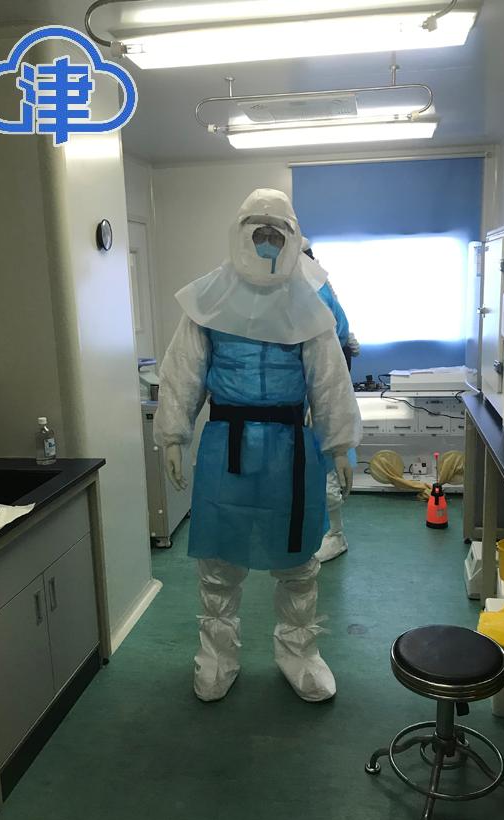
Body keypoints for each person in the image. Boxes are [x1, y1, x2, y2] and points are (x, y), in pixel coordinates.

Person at [155, 189, 361, 703]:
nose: (267, 242)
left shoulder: (310, 299)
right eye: (259, 232)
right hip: (227, 444)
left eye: (277, 233)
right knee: (219, 561)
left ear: (292, 238)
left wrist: (340, 443)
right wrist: (173, 434)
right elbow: (183, 371)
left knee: (297, 559)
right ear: (241, 233)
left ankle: (299, 653)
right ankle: (217, 655)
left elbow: (329, 378)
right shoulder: (210, 296)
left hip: (291, 448)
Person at [301, 237, 360, 562]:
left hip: (317, 391)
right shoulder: (307, 285)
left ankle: (334, 534)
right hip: (294, 396)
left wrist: (314, 402)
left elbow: (335, 341)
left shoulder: (315, 287)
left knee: (325, 466)